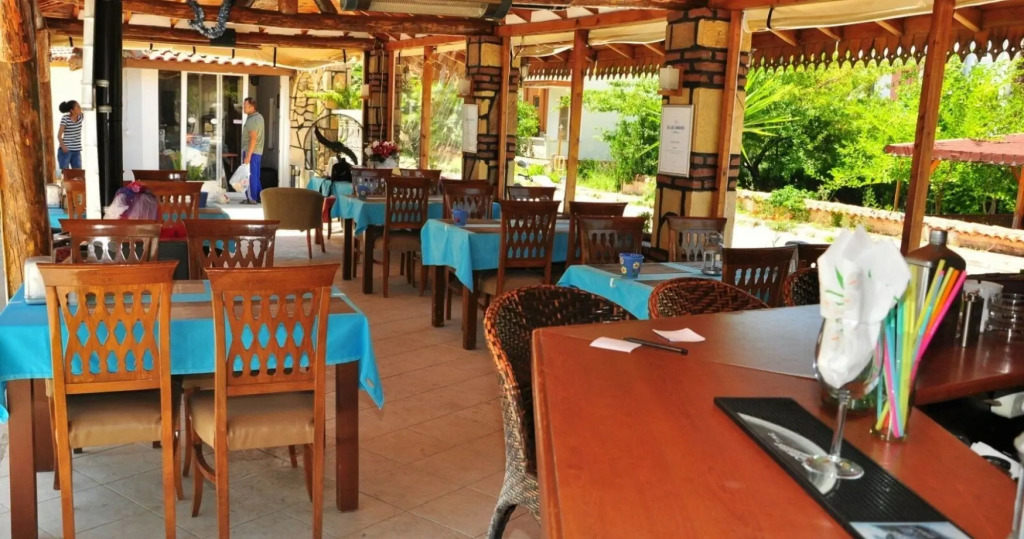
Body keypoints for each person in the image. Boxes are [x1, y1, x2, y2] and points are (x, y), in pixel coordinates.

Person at [241, 97, 265, 203]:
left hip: (251, 152)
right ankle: (260, 197)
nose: (243, 108)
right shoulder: (259, 117)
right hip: (257, 152)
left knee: (250, 175)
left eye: (245, 106)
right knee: (255, 175)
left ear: (252, 107)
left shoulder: (253, 120)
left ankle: (252, 198)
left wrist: (248, 156)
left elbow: (253, 138)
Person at [57, 100, 84, 171]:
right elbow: (59, 135)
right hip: (66, 150)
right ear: (72, 110)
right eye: (77, 107)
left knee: (77, 173)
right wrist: (63, 146)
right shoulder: (65, 119)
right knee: (66, 173)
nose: (80, 108)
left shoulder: (80, 117)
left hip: (76, 150)